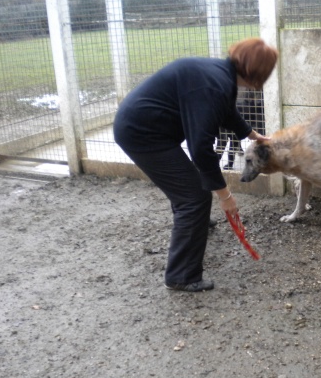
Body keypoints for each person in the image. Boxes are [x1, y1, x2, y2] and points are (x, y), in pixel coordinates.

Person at [113, 38, 278, 292]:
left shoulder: (221, 74)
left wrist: (250, 133)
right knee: (193, 197)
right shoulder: (216, 85)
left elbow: (225, 110)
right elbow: (201, 149)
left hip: (150, 128)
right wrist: (225, 195)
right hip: (141, 133)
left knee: (191, 191)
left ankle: (196, 224)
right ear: (257, 73)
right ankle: (181, 275)